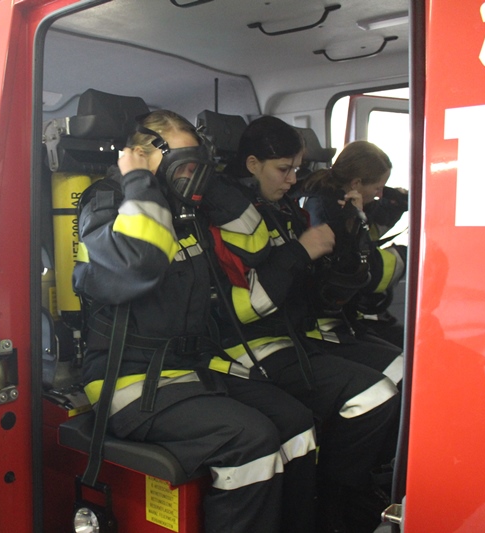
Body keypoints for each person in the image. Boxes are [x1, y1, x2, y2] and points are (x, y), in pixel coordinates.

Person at [73, 110, 317, 532]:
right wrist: (138, 180)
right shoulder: (108, 201)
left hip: (191, 369)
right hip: (129, 381)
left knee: (296, 421)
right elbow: (138, 265)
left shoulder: (188, 207)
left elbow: (255, 245)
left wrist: (209, 181)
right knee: (251, 438)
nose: (191, 176)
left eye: (196, 165)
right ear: (143, 156)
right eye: (183, 165)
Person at [210, 116, 402, 532]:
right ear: (253, 164)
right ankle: (335, 504)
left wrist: (352, 232)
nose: (293, 179)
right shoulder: (231, 214)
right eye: (284, 169)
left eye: (296, 169)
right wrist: (301, 251)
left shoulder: (280, 208)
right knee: (375, 396)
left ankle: (355, 494)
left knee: (402, 377)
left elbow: (317, 291)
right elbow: (241, 309)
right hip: (246, 348)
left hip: (295, 336)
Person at [299, 140, 408, 349]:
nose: (380, 194)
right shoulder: (333, 213)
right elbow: (364, 269)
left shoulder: (324, 195)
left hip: (344, 313)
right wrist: (407, 256)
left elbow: (373, 229)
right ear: (356, 183)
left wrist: (396, 204)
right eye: (378, 188)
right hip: (326, 320)